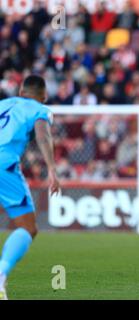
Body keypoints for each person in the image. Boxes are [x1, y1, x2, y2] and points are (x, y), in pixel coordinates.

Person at [0, 75, 60, 300]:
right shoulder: (39, 109)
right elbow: (43, 135)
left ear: (20, 91)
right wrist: (52, 169)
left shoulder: (2, 104)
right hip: (3, 162)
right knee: (27, 227)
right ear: (43, 96)